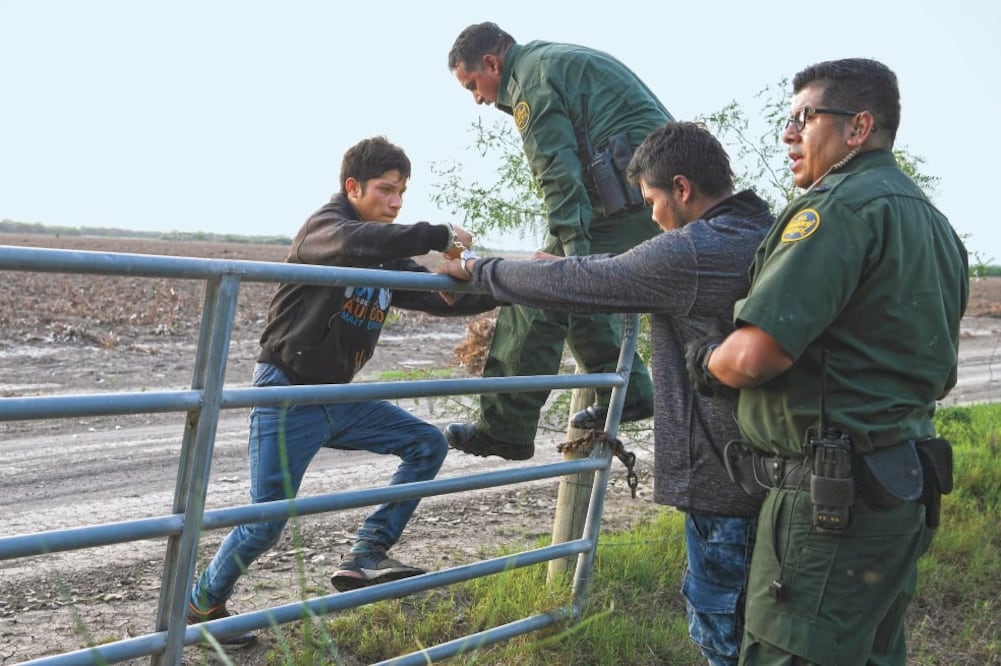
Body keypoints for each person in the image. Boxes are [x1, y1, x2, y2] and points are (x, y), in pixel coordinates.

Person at [438, 121, 774, 665]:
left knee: (726, 639)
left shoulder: (694, 251)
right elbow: (604, 271)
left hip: (723, 482)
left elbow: (591, 285)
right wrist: (567, 264)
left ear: (683, 188)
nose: (653, 217)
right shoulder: (768, 231)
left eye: (652, 201)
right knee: (771, 631)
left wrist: (480, 269)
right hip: (774, 473)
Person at [685, 59, 968, 664]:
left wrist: (709, 361)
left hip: (829, 510)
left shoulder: (834, 210)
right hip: (899, 489)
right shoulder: (932, 222)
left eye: (802, 119)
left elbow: (756, 356)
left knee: (791, 652)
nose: (788, 135)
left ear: (858, 128)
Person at [187, 136, 497, 645]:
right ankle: (203, 602)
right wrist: (440, 234)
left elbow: (437, 296)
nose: (396, 202)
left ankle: (366, 553)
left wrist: (497, 284)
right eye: (385, 190)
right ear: (352, 188)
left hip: (339, 396)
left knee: (426, 444)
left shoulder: (381, 255)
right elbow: (365, 243)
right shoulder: (326, 229)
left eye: (402, 192)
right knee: (265, 521)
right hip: (287, 392)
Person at [443, 22, 674, 461]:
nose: (477, 98)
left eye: (473, 84)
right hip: (636, 194)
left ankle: (504, 430)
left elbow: (557, 174)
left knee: (539, 283)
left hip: (641, 198)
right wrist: (575, 261)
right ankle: (635, 392)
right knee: (567, 275)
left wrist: (571, 266)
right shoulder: (546, 62)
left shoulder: (533, 78)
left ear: (492, 63)